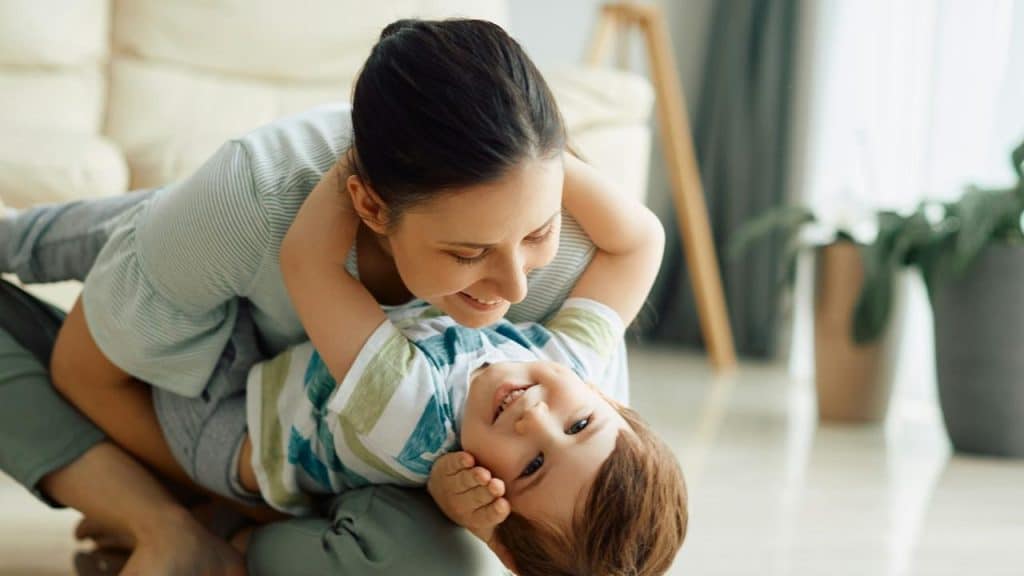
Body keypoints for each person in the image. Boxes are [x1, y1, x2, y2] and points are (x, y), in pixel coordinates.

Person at [0, 18, 636, 575]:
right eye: (468, 254)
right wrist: (204, 501)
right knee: (129, 237)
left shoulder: (563, 294)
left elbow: (558, 522)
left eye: (538, 230)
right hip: (227, 401)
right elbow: (86, 370)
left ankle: (214, 535)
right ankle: (177, 525)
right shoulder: (256, 193)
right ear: (367, 202)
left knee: (438, 568)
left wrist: (539, 159)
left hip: (300, 446)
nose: (514, 287)